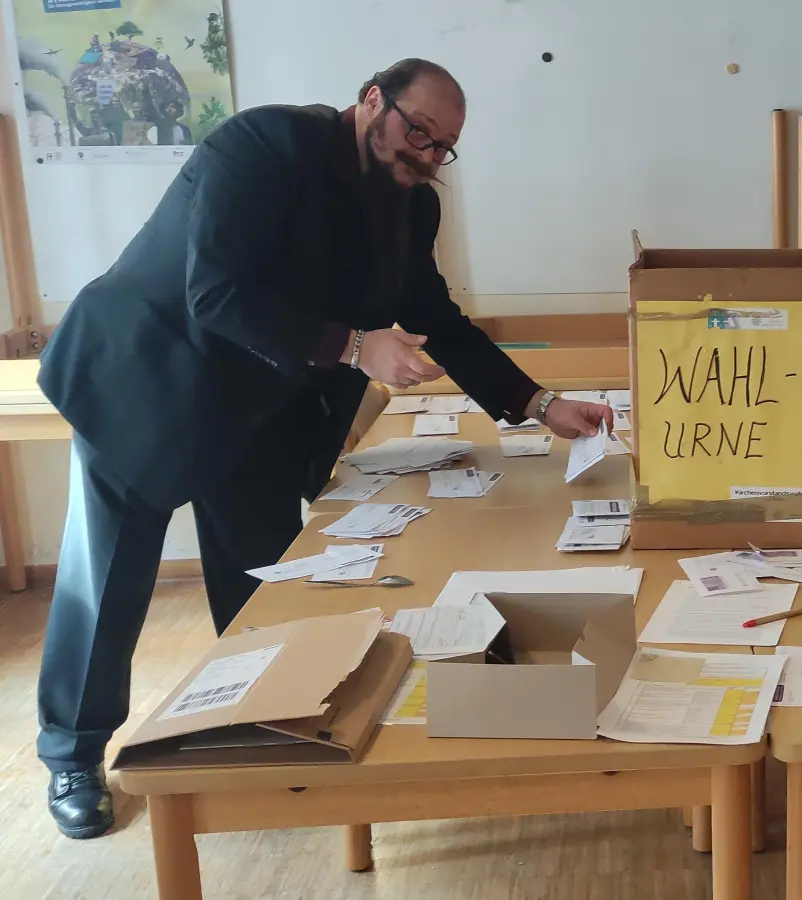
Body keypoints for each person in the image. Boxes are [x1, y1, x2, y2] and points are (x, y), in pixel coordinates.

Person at [34, 58, 612, 839]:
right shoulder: (263, 147)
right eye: (417, 130)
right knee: (106, 585)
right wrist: (352, 347)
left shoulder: (410, 207)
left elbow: (437, 315)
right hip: (149, 377)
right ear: (372, 99)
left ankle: (265, 726)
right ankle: (73, 752)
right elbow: (216, 291)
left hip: (261, 410)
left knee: (268, 585)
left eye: (443, 146)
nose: (426, 154)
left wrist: (539, 404)